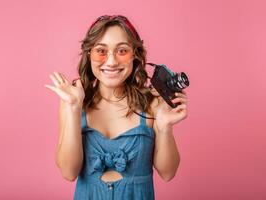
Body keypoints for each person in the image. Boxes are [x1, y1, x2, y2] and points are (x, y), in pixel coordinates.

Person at [44, 15, 188, 200]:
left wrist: (166, 127)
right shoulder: (73, 102)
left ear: (135, 55)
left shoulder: (153, 103)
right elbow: (68, 172)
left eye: (122, 51)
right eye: (101, 51)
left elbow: (168, 173)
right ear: (89, 54)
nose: (111, 62)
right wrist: (73, 107)